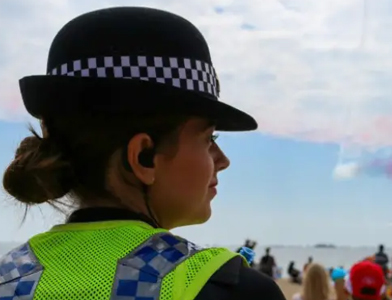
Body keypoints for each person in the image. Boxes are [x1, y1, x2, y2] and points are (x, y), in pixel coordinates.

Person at [0, 6, 286, 300]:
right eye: (208, 138)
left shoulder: (9, 278)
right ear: (143, 157)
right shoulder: (227, 289)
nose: (222, 160)